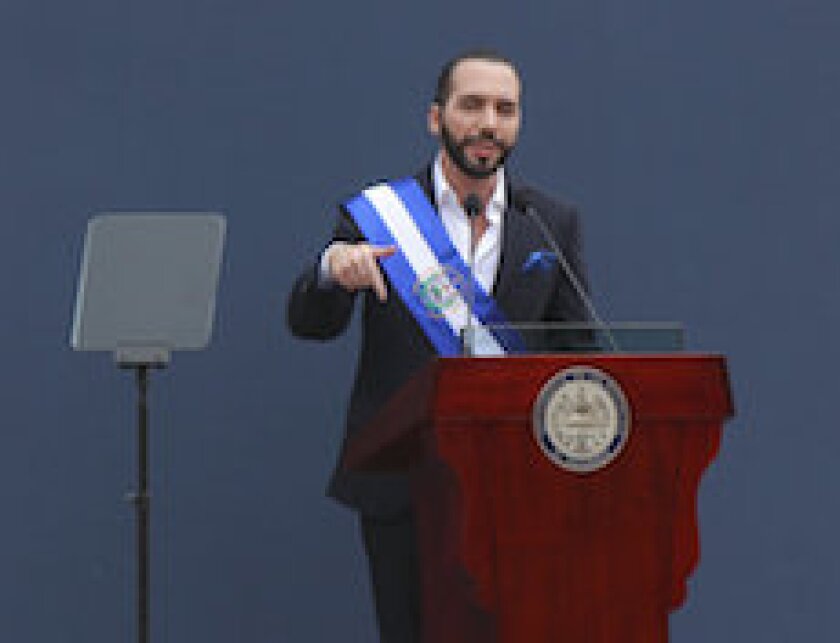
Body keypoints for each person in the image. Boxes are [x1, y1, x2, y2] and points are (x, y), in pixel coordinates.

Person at [287, 49, 591, 643]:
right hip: (402, 482)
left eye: (505, 109)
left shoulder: (549, 220)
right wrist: (329, 271)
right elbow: (310, 322)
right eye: (471, 105)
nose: (488, 123)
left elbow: (580, 351)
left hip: (515, 483)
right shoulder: (379, 217)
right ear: (436, 118)